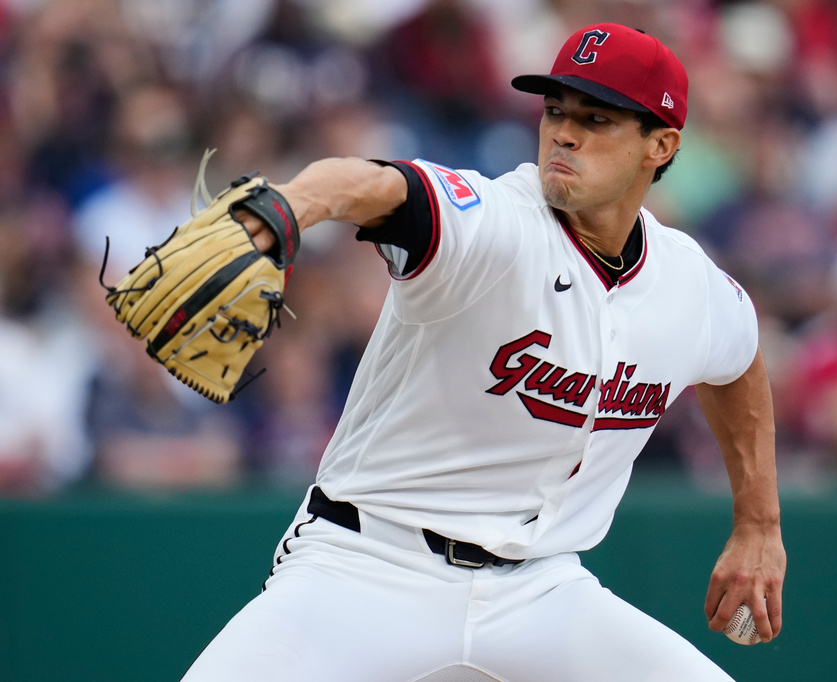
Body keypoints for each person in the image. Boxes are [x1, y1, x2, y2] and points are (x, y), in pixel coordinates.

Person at [182, 23, 786, 682]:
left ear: (660, 144)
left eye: (596, 118)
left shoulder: (686, 283)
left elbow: (739, 363)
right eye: (555, 109)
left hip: (542, 593)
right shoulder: (494, 222)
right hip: (369, 565)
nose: (564, 131)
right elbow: (378, 187)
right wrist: (292, 206)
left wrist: (758, 521)